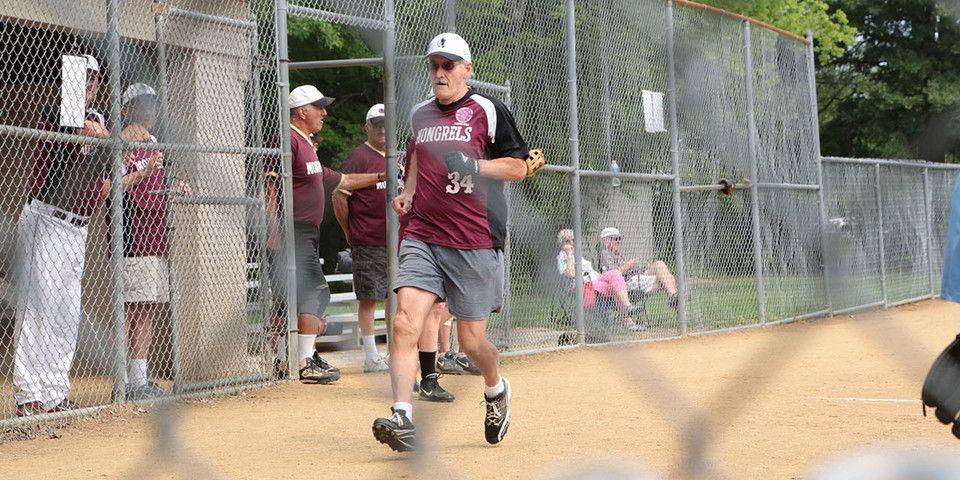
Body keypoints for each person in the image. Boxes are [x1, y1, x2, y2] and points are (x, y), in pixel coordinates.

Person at [372, 32, 540, 451]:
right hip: (423, 233)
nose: (440, 73)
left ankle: (496, 388)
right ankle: (402, 417)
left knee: (471, 342)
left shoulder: (487, 110)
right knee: (404, 322)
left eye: (448, 65)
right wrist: (408, 191)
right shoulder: (420, 114)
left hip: (473, 238)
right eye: (434, 65)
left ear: (467, 69)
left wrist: (474, 165)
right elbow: (416, 156)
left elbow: (520, 167)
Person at [264, 85, 384, 384]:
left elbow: (343, 180)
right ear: (302, 111)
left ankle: (287, 359)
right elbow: (269, 188)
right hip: (292, 230)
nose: (324, 113)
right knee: (315, 292)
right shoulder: (287, 139)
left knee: (290, 298)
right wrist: (273, 231)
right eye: (319, 107)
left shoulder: (306, 144)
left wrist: (383, 175)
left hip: (305, 232)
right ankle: (304, 360)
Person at [12, 54, 111, 416]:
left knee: (66, 314)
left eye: (92, 80)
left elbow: (104, 170)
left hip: (77, 228)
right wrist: (101, 134)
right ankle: (28, 395)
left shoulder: (99, 117)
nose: (87, 86)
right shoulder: (56, 112)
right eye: (81, 79)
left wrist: (105, 138)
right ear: (69, 81)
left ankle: (54, 391)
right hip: (47, 222)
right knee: (38, 308)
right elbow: (83, 131)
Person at [109, 83, 191, 400]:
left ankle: (139, 380)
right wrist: (145, 169)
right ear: (128, 109)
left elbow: (157, 180)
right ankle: (123, 381)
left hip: (156, 234)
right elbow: (115, 185)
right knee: (130, 309)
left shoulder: (154, 143)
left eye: (153, 105)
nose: (150, 111)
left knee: (146, 309)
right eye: (143, 105)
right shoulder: (120, 141)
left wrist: (175, 185)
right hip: (132, 234)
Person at [331, 104, 391, 374]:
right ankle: (371, 356)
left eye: (386, 124)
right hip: (368, 238)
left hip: (396, 240)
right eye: (377, 125)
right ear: (367, 127)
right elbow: (339, 195)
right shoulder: (359, 157)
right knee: (369, 297)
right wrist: (349, 230)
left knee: (395, 298)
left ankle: (394, 351)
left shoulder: (397, 157)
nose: (382, 129)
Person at [555, 229, 643, 330]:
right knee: (614, 287)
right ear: (561, 245)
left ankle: (628, 306)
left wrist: (606, 277)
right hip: (585, 284)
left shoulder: (578, 256)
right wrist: (569, 254)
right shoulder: (563, 257)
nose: (571, 243)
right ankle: (629, 322)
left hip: (596, 279)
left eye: (573, 240)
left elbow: (592, 272)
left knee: (616, 273)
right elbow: (570, 273)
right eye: (567, 241)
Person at [596, 227, 678, 310]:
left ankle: (673, 296)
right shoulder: (605, 254)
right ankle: (675, 300)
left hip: (635, 277)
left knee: (659, 264)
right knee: (669, 279)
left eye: (619, 238)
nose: (619, 241)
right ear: (606, 240)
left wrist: (644, 268)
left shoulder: (617, 254)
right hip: (627, 284)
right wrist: (628, 265)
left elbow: (629, 271)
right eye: (615, 239)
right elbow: (614, 275)